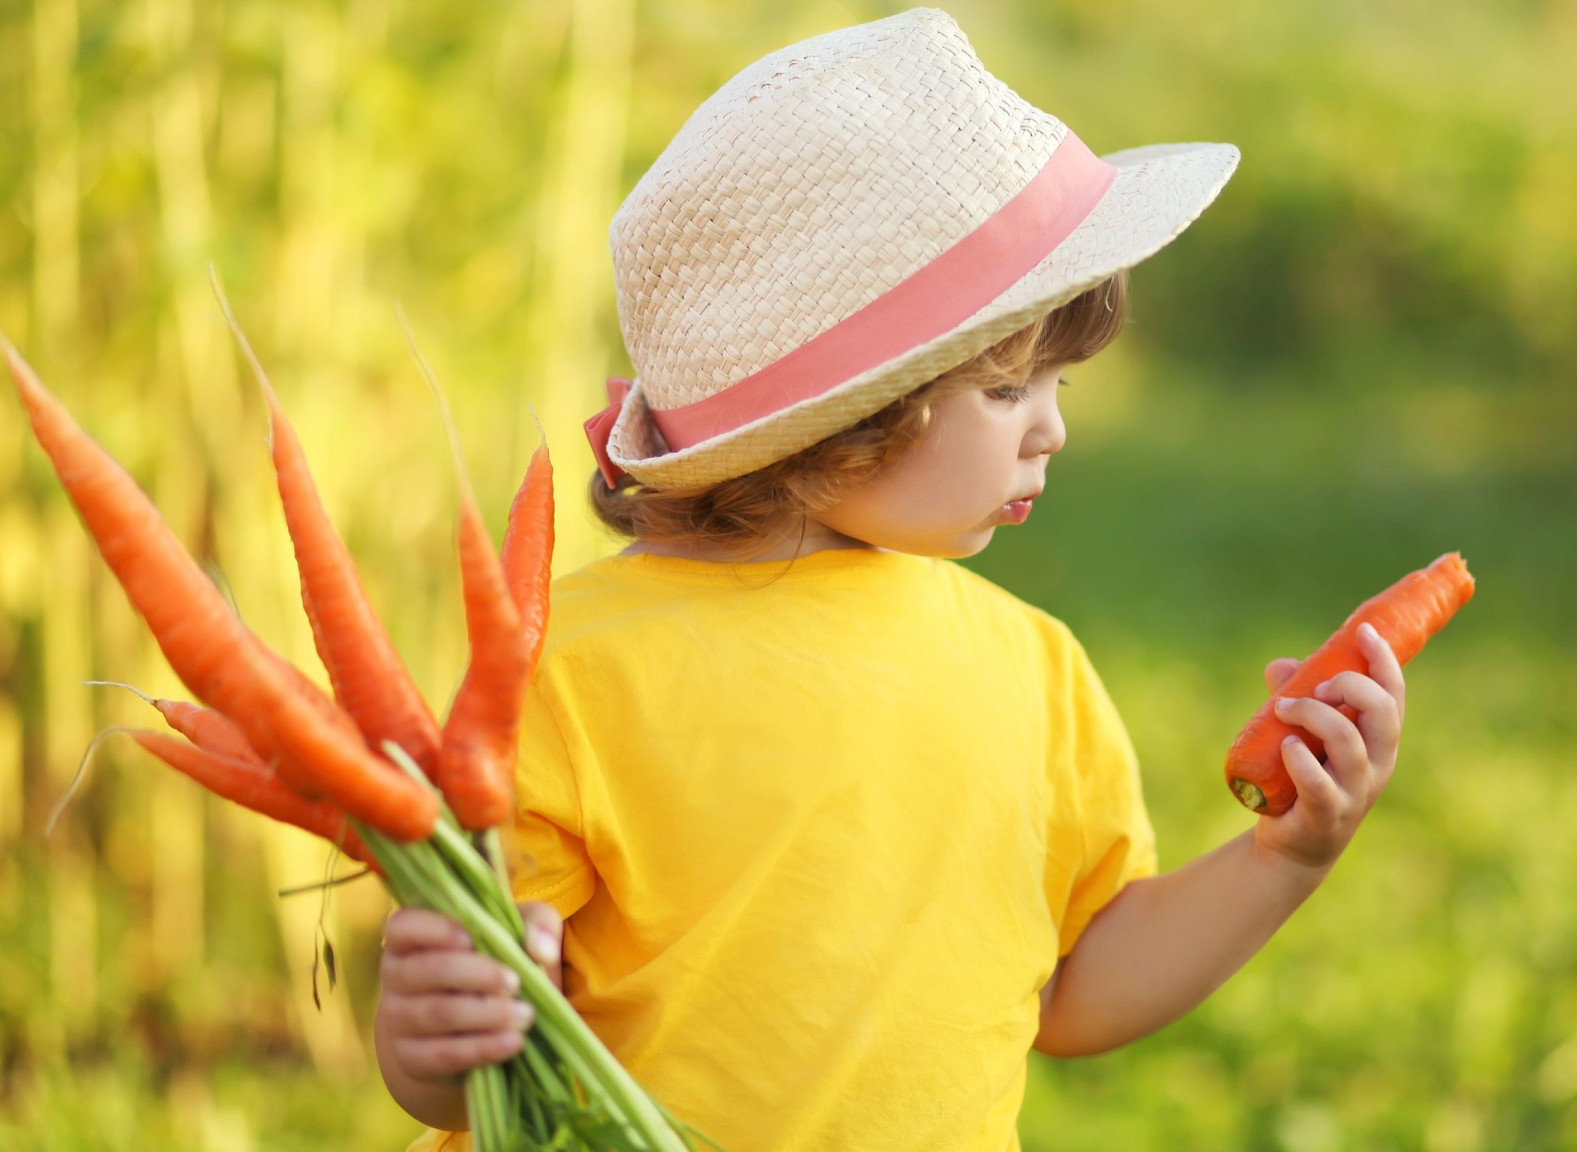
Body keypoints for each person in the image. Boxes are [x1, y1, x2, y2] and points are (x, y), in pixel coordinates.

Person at [376, 8, 1407, 1150]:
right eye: (1009, 389)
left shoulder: (1032, 670)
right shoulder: (567, 671)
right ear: (850, 425)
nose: (1052, 432)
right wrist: (433, 1036)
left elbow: (1075, 983)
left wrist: (1287, 857)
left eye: (1056, 384)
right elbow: (480, 1050)